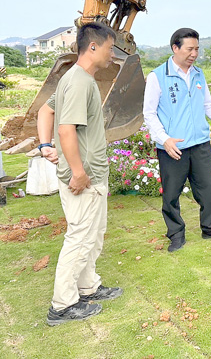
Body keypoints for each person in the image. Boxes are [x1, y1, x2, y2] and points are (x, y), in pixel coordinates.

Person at [37, 22, 124, 326]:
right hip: (83, 179)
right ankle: (62, 305)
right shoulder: (78, 82)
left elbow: (46, 112)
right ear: (93, 47)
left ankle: (87, 287)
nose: (112, 55)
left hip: (92, 176)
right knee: (80, 238)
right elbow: (66, 128)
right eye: (111, 48)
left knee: (92, 236)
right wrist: (77, 172)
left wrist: (44, 145)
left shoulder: (77, 80)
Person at [143, 28, 211, 252]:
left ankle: (210, 227)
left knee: (208, 187)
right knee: (171, 194)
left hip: (199, 143)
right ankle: (176, 234)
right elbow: (149, 114)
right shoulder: (157, 77)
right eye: (190, 49)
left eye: (197, 49)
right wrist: (165, 139)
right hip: (173, 147)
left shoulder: (198, 74)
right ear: (175, 48)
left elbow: (208, 105)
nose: (194, 53)